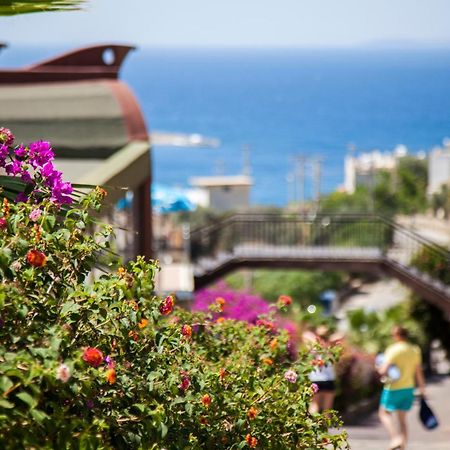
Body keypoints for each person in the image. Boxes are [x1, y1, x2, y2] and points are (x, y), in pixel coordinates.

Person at [377, 325, 426, 450]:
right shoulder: (414, 349)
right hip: (409, 388)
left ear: (397, 335)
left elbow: (383, 370)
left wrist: (378, 368)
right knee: (402, 420)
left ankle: (395, 438)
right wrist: (422, 389)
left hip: (393, 388)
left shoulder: (393, 350)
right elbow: (418, 371)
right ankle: (402, 446)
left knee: (384, 413)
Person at [304, 325, 340, 414]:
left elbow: (306, 334)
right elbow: (341, 335)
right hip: (328, 379)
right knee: (327, 408)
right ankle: (325, 427)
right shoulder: (331, 347)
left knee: (314, 405)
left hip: (315, 379)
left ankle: (311, 426)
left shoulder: (314, 347)